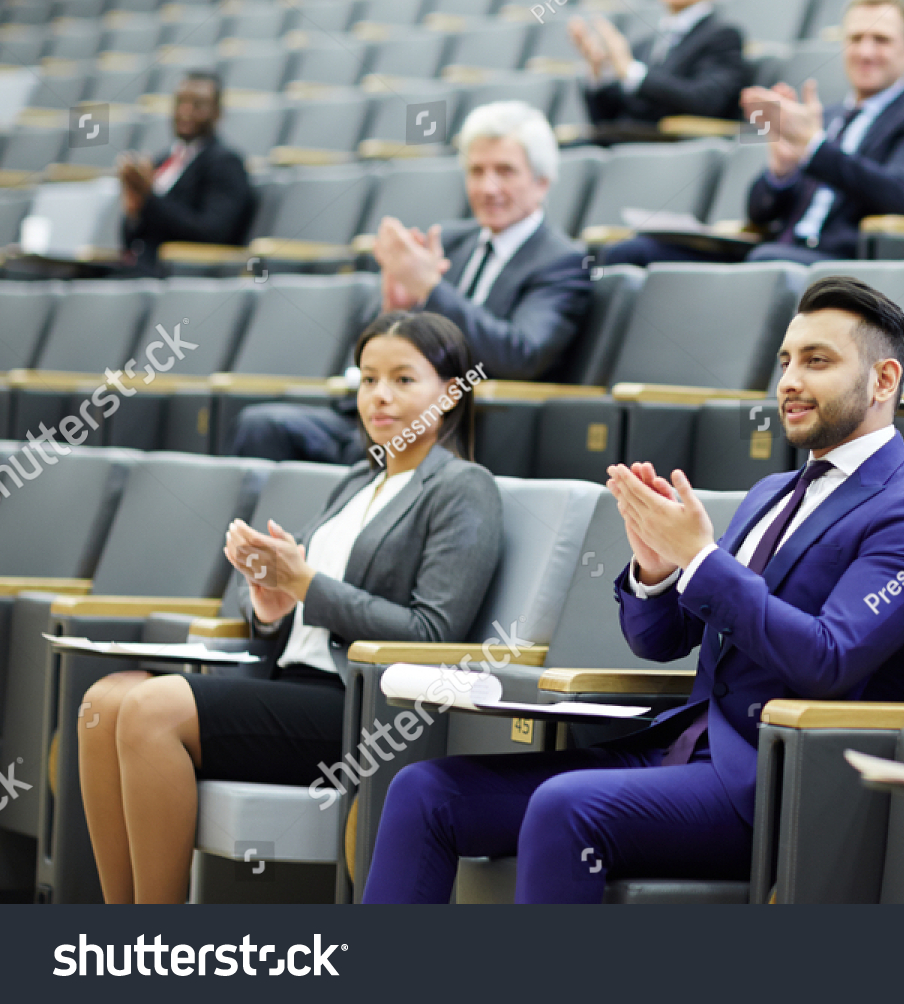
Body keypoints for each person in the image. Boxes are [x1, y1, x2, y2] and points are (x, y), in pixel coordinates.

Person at [362, 277, 904, 903]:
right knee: (424, 791)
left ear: (884, 380)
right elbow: (658, 642)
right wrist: (656, 571)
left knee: (567, 806)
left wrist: (700, 559)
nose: (788, 381)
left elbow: (828, 661)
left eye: (817, 362)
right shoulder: (771, 493)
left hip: (776, 783)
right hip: (678, 748)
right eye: (784, 361)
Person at [76, 312, 504, 903]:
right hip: (291, 683)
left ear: (451, 393)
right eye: (368, 378)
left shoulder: (464, 488)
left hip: (359, 711)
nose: (379, 396)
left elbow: (432, 631)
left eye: (404, 380)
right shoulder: (358, 480)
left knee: (150, 708)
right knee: (105, 700)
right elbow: (299, 613)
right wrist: (273, 605)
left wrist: (305, 585)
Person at [229, 101, 592, 464]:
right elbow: (374, 345)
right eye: (476, 171)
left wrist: (431, 291)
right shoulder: (450, 240)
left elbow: (521, 355)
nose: (488, 187)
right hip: (387, 415)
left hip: (459, 427)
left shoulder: (561, 261)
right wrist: (396, 312)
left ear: (542, 183)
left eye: (505, 171)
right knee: (261, 426)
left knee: (371, 450)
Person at [598, 0, 904, 267]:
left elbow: (900, 193)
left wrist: (815, 148)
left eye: (880, 40)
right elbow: (759, 213)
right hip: (775, 254)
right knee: (630, 253)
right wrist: (780, 172)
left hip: (846, 265)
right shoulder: (825, 117)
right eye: (855, 38)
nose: (865, 51)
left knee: (765, 260)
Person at [568, 0, 749, 130]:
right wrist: (600, 73)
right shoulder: (643, 46)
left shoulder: (722, 37)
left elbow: (705, 101)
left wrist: (630, 71)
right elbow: (610, 121)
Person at [117, 70, 256, 276]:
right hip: (142, 265)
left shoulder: (226, 163)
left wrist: (149, 199)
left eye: (198, 105)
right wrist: (134, 208)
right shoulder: (161, 161)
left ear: (217, 112)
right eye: (180, 102)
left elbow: (212, 232)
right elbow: (132, 238)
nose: (185, 111)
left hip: (180, 273)